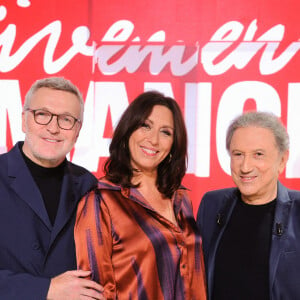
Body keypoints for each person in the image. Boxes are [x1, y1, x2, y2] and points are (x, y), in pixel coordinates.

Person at [74, 91, 207, 299]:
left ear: (173, 145)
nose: (153, 140)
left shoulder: (182, 199)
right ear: (128, 132)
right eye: (145, 125)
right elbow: (94, 290)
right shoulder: (101, 201)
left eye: (165, 132)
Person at [0, 77, 104, 299]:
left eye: (66, 119)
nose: (53, 128)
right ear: (23, 120)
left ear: (77, 130)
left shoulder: (89, 185)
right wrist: (46, 289)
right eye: (43, 115)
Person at [197, 111, 300, 300]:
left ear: (282, 160)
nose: (245, 166)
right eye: (238, 154)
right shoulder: (211, 205)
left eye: (258, 154)